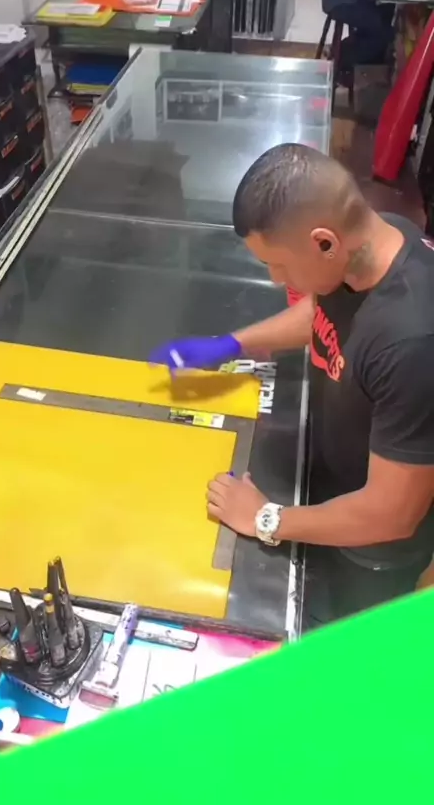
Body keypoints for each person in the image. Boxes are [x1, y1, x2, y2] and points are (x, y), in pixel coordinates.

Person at [151, 144, 434, 624]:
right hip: (330, 483)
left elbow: (390, 515)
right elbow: (325, 312)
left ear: (324, 242)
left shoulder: (413, 343)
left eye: (279, 264)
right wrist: (233, 344)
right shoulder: (375, 241)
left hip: (369, 553)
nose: (274, 277)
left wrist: (265, 518)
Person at [322, 0, 403, 74]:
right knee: (385, 32)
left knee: (387, 7)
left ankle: (370, 58)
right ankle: (340, 58)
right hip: (342, 0)